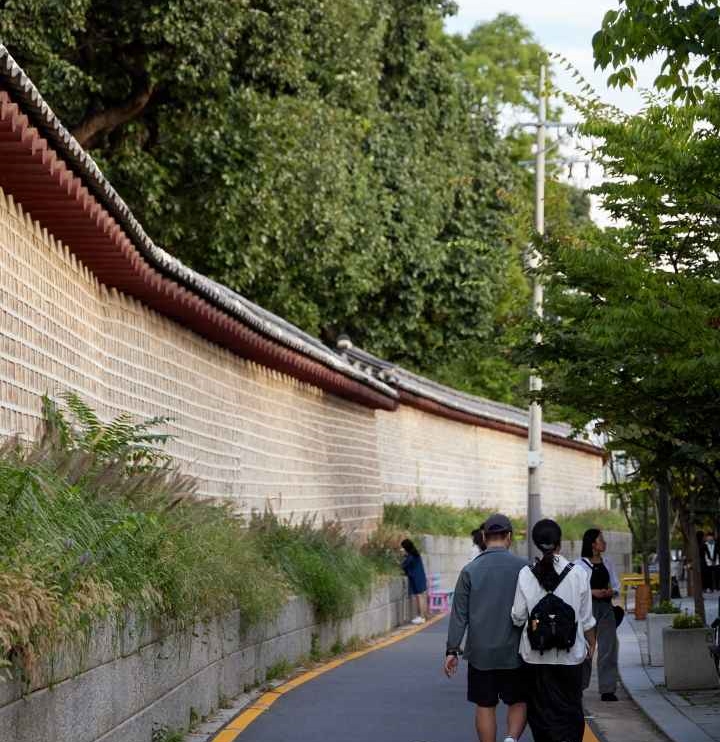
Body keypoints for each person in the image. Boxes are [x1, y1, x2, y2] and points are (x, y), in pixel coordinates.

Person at [444, 514, 528, 742]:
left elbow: (459, 615)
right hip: (516, 651)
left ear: (484, 536)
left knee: (485, 704)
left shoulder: (470, 570)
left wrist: (452, 650)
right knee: (518, 700)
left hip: (480, 653)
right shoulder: (524, 568)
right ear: (509, 536)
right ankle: (511, 739)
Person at [511, 519, 596, 742]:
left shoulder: (526, 573)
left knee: (541, 717)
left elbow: (518, 616)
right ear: (560, 542)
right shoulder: (578, 573)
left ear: (536, 544)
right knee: (570, 712)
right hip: (571, 656)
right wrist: (591, 644)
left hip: (535, 657)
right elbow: (586, 619)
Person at [577, 528, 620, 701]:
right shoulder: (579, 565)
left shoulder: (608, 562)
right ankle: (579, 686)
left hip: (606, 608)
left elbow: (616, 586)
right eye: (601, 539)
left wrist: (611, 592)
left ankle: (608, 689)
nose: (604, 542)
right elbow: (577, 589)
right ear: (592, 544)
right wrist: (592, 592)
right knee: (585, 647)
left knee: (609, 647)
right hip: (587, 609)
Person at [401, 538, 428, 624]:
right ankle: (423, 616)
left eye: (403, 547)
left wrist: (403, 558)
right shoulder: (415, 554)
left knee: (419, 597)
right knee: (422, 596)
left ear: (406, 548)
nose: (402, 549)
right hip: (420, 577)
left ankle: (421, 617)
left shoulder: (411, 557)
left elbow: (404, 566)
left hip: (416, 578)